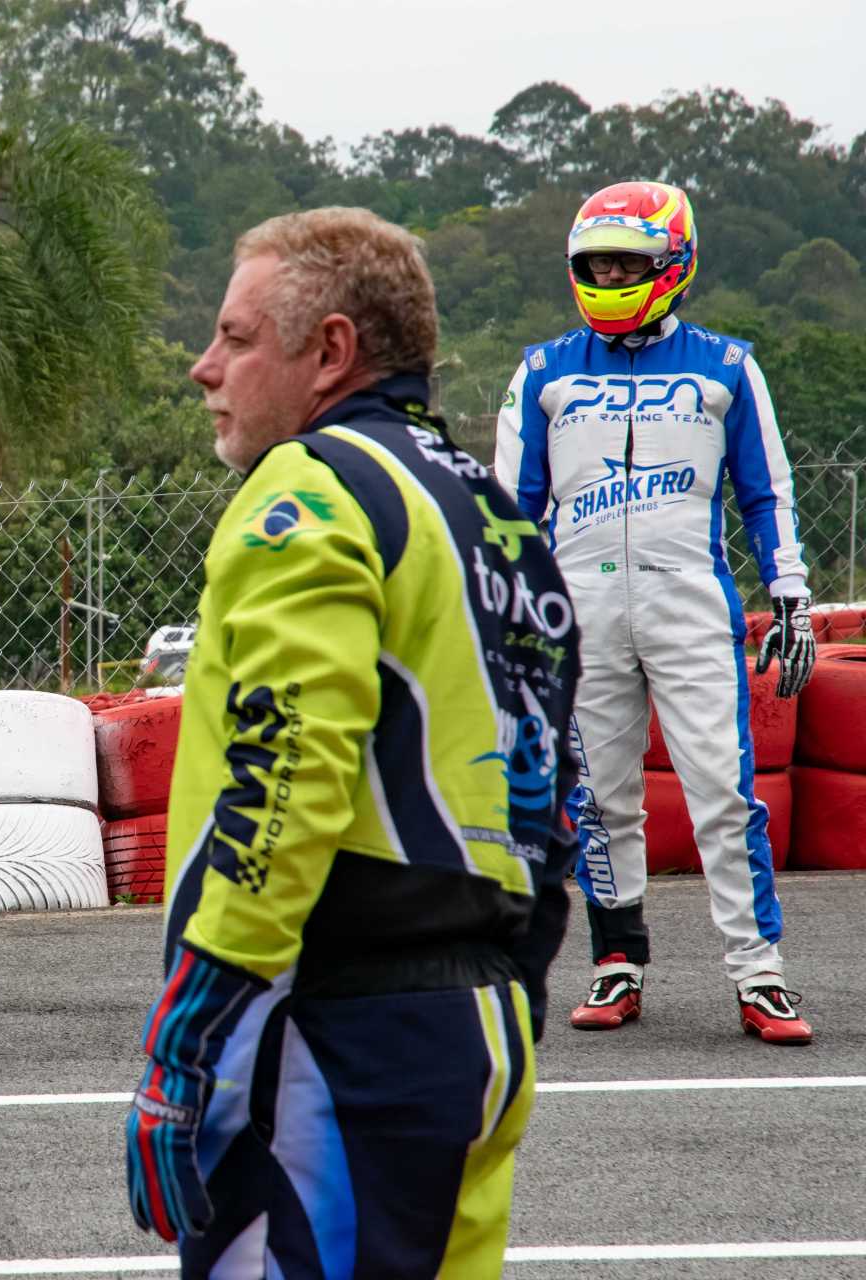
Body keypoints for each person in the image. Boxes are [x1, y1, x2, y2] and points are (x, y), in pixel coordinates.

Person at [125, 206, 581, 1278]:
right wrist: (513, 987)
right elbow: (556, 796)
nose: (203, 367)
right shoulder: (500, 517)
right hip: (483, 1027)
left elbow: (289, 772)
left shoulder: (311, 485)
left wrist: (187, 1046)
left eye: (235, 337)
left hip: (335, 1034)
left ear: (330, 351)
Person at [493, 180, 816, 1045]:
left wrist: (790, 593)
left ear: (674, 263)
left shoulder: (727, 366)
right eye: (595, 263)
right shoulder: (543, 371)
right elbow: (511, 512)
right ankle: (616, 963)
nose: (607, 277)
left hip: (691, 606)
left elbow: (767, 492)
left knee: (724, 794)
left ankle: (759, 973)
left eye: (625, 264)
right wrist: (507, 619)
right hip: (580, 613)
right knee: (600, 799)